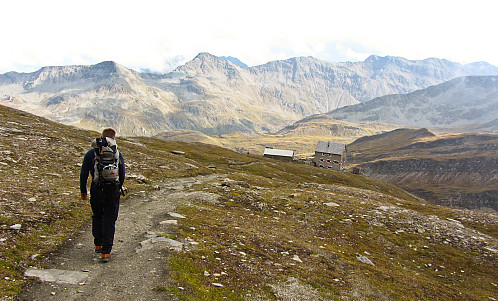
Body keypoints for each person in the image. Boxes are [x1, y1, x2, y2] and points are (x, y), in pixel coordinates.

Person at [80, 128, 125, 262]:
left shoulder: (91, 153)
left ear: (101, 137)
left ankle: (98, 244)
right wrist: (118, 187)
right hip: (112, 189)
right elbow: (121, 173)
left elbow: (84, 173)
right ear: (114, 138)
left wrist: (83, 190)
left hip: (96, 188)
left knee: (97, 215)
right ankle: (106, 252)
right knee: (110, 219)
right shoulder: (117, 153)